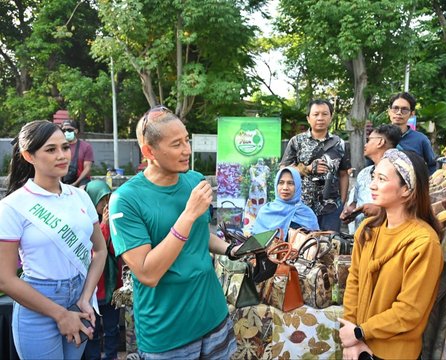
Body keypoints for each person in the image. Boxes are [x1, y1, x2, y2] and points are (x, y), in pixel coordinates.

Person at [108, 105, 238, 359]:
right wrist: (188, 215)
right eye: (176, 144)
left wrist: (232, 250)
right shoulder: (125, 200)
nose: (187, 150)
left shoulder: (194, 179)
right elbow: (147, 273)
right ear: (149, 151)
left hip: (213, 316)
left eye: (187, 140)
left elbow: (199, 235)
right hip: (168, 331)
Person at [0, 120, 107, 359]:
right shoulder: (12, 207)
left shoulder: (81, 197)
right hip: (37, 304)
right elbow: (5, 280)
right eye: (50, 149)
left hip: (78, 301)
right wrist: (60, 314)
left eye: (65, 147)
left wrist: (85, 297)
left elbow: (99, 252)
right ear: (29, 156)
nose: (62, 155)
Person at [338, 149, 444, 359]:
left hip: (395, 352)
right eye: (374, 176)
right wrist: (350, 335)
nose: (372, 185)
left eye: (382, 179)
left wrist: (360, 332)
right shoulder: (367, 229)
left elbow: (409, 311)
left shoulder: (424, 242)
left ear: (406, 189)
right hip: (358, 346)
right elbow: (354, 282)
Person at [281, 99, 351, 232]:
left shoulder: (340, 144)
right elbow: (283, 171)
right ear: (308, 118)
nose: (320, 118)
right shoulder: (296, 142)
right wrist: (307, 169)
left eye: (325, 114)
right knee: (300, 246)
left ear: (330, 117)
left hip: (331, 208)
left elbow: (343, 174)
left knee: (328, 246)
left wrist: (342, 202)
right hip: (300, 206)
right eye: (316, 114)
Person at [84, 180, 123, 360]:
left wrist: (110, 224)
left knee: (112, 328)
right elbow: (95, 250)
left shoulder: (114, 219)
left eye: (109, 198)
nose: (106, 205)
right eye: (102, 200)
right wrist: (104, 225)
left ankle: (111, 356)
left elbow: (116, 249)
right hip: (93, 288)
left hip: (111, 284)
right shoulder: (84, 222)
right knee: (92, 329)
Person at [340, 124, 402, 233]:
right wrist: (350, 211)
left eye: (369, 140)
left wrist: (379, 211)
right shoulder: (364, 173)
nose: (365, 144)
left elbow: (407, 206)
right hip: (361, 236)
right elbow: (355, 202)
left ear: (380, 142)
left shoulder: (400, 172)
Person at [252, 166, 319, 237]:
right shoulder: (266, 211)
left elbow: (314, 242)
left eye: (290, 183)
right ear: (276, 185)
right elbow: (256, 242)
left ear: (298, 186)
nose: (285, 188)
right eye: (281, 183)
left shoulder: (306, 214)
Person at [388, 92, 437, 175]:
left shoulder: (421, 140)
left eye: (404, 109)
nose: (399, 112)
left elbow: (432, 166)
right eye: (395, 108)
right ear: (389, 111)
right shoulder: (379, 136)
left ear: (412, 114)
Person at [61, 119, 94, 186]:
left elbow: (87, 168)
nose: (66, 132)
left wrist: (75, 184)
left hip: (81, 181)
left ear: (76, 131)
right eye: (64, 130)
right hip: (63, 181)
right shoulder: (59, 147)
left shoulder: (86, 147)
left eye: (69, 130)